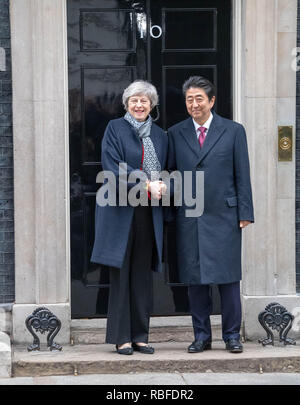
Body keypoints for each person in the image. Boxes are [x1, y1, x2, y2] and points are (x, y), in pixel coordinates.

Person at [167, 76, 254, 353]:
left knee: (228, 280)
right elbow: (170, 175)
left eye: (199, 99)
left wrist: (245, 211)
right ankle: (201, 336)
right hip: (190, 215)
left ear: (212, 101)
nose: (194, 104)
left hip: (225, 215)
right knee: (196, 281)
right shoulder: (175, 133)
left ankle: (231, 336)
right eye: (189, 99)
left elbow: (243, 173)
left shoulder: (233, 131)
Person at [91, 80, 167, 355]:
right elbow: (112, 170)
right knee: (120, 275)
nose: (139, 105)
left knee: (141, 276)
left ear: (151, 105)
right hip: (119, 212)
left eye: (144, 101)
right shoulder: (114, 129)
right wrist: (146, 185)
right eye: (134, 100)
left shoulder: (160, 135)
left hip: (148, 213)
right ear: (126, 104)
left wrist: (164, 186)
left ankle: (140, 335)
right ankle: (121, 337)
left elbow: (166, 170)